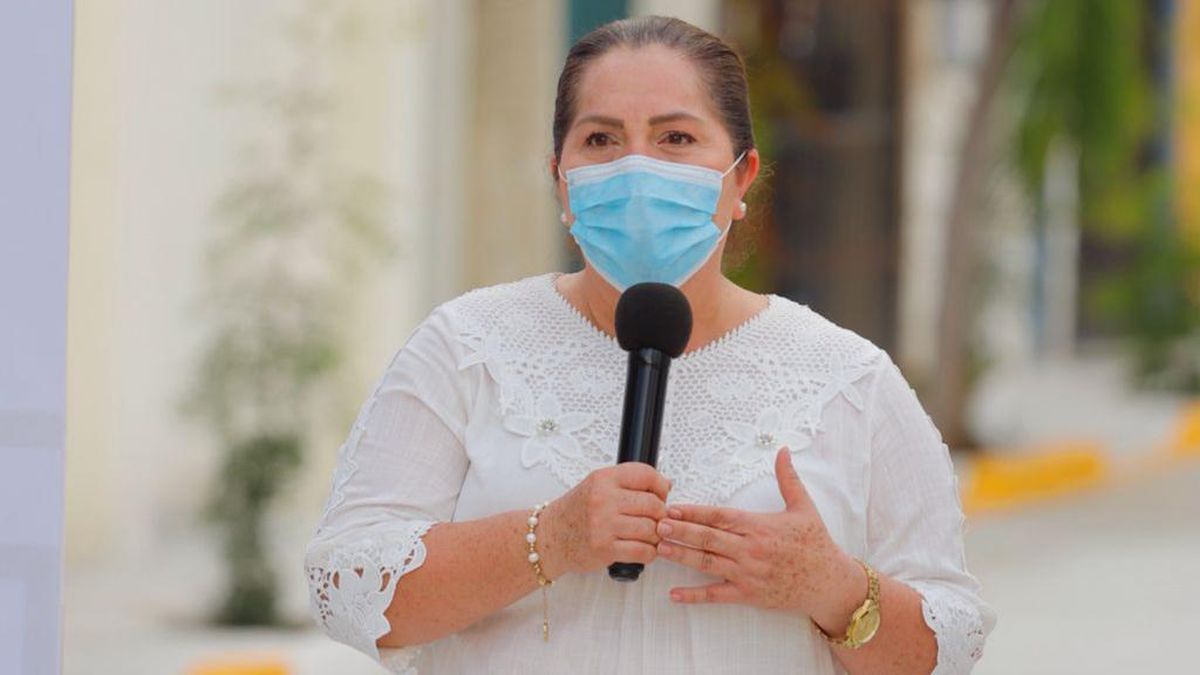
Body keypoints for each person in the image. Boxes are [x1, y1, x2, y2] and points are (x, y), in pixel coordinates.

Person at [304, 15, 995, 675]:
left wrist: (832, 586)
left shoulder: (848, 378)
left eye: (676, 138)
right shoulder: (466, 348)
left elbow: (947, 647)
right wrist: (550, 538)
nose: (636, 169)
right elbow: (349, 591)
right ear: (561, 179)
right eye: (602, 139)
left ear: (741, 177)